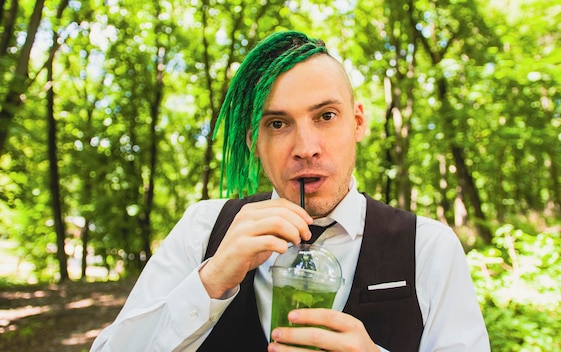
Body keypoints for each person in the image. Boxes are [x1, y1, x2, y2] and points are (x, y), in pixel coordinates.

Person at [90, 30, 490, 352]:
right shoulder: (205, 228)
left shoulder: (429, 248)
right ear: (253, 142)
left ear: (357, 123)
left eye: (326, 116)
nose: (305, 147)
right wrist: (209, 283)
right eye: (278, 124)